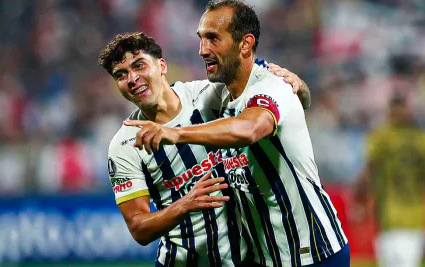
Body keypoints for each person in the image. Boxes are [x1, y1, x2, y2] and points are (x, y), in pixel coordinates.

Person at [124, 0, 349, 266]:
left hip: (315, 252)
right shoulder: (216, 95)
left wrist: (176, 134)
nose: (202, 49)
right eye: (201, 39)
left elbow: (250, 128)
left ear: (245, 43)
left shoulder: (271, 86)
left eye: (213, 38)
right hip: (266, 258)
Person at [100, 32, 310, 266]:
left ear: (162, 66)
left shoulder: (208, 95)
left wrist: (298, 87)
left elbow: (272, 91)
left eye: (139, 66)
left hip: (248, 259)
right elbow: (139, 229)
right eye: (121, 75)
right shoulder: (125, 145)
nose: (132, 78)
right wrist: (185, 204)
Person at [353, 94, 425, 267]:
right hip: (409, 217)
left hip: (393, 217)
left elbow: (367, 171)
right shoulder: (422, 139)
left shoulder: (381, 137)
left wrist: (357, 202)